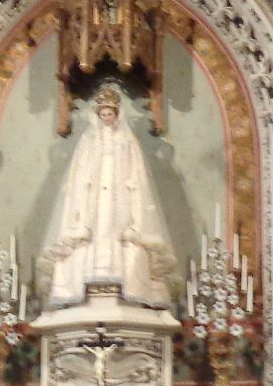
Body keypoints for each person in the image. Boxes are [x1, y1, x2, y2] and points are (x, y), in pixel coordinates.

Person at [41, 81, 177, 307]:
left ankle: (125, 280)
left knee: (120, 230)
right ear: (98, 115)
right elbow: (80, 173)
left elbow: (135, 173)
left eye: (110, 113)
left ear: (116, 114)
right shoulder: (88, 140)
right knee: (92, 230)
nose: (106, 117)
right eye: (103, 113)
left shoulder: (126, 140)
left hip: (119, 195)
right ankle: (88, 280)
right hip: (93, 196)